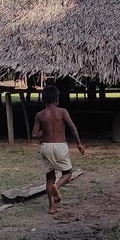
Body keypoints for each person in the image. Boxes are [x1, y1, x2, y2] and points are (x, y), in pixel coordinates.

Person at [32, 84, 86, 213]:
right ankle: (58, 185)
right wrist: (79, 143)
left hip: (46, 147)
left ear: (42, 100)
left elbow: (34, 135)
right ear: (57, 100)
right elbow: (72, 127)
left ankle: (51, 207)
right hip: (60, 146)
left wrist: (43, 132)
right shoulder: (62, 112)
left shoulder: (40, 115)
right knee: (67, 173)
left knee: (49, 177)